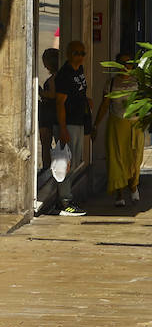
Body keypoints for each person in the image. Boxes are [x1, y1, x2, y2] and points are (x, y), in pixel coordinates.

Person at [94, 52, 142, 207]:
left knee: (135, 159)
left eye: (129, 63)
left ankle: (133, 185)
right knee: (116, 159)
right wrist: (96, 124)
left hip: (135, 126)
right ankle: (119, 193)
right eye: (122, 63)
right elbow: (104, 105)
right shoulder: (111, 83)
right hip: (116, 126)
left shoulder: (138, 82)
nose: (125, 66)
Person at [52, 40, 91, 216]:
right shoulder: (64, 75)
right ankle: (64, 201)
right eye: (76, 53)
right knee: (65, 163)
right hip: (67, 123)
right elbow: (60, 103)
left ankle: (65, 196)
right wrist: (63, 128)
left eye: (83, 53)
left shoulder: (79, 70)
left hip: (79, 121)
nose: (80, 57)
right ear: (68, 54)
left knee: (73, 162)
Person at [36, 47, 59, 175]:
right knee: (47, 142)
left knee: (45, 141)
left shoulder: (55, 78)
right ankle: (48, 167)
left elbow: (53, 95)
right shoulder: (58, 76)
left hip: (49, 112)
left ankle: (47, 168)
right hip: (51, 112)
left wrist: (40, 92)